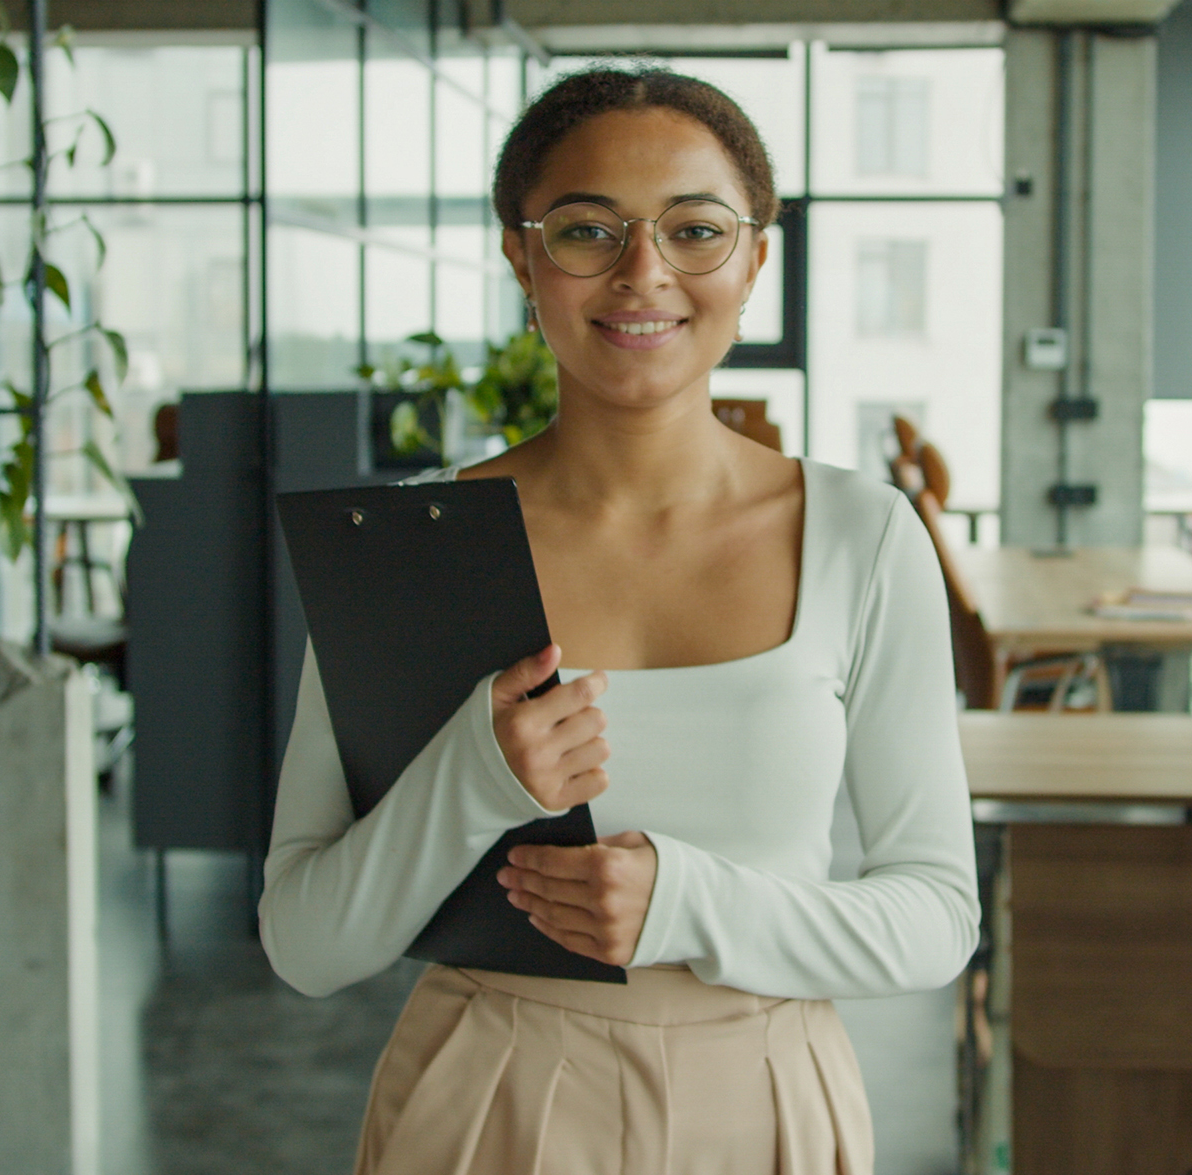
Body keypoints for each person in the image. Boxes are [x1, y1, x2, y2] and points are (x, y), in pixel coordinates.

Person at [259, 66, 979, 1174]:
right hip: (487, 1095)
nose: (644, 274)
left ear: (754, 259)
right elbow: (305, 946)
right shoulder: (407, 542)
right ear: (522, 258)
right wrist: (474, 779)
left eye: (695, 229)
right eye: (587, 230)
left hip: (769, 1094)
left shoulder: (862, 533)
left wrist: (691, 903)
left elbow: (936, 915)